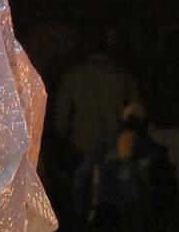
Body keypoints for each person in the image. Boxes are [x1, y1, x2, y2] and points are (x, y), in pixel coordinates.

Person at [51, 27, 141, 165]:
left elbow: (60, 120)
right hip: (114, 150)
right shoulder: (123, 77)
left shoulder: (72, 77)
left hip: (81, 151)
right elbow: (135, 118)